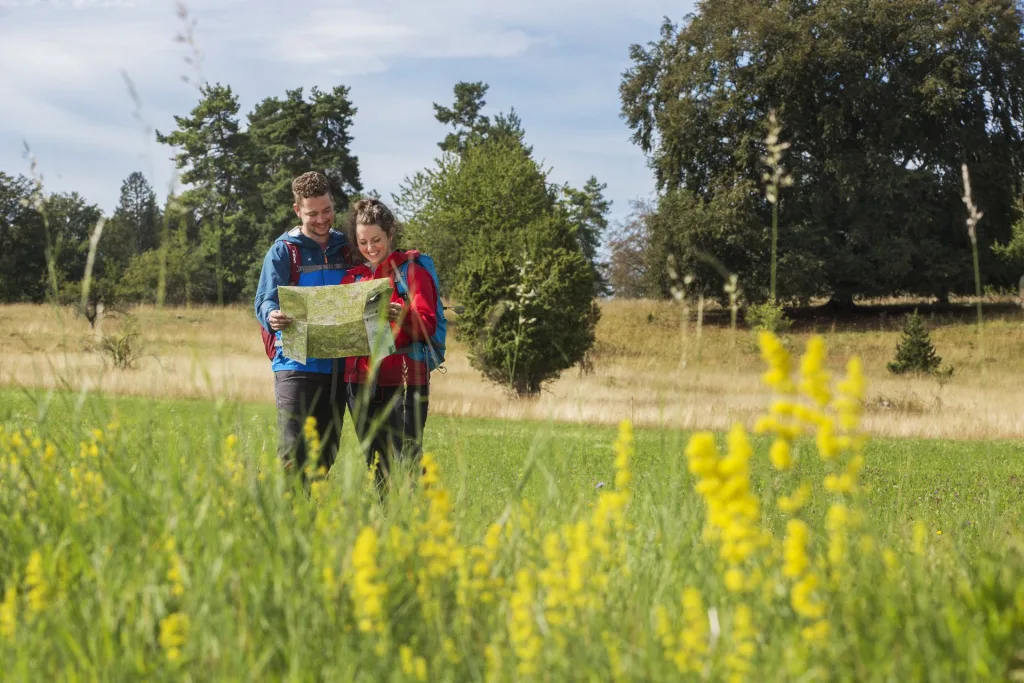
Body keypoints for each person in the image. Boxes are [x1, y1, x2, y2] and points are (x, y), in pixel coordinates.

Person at [254, 171, 351, 476]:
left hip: (337, 366)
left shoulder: (346, 247)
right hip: (295, 365)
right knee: (293, 451)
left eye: (327, 211)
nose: (322, 220)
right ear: (297, 211)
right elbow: (264, 301)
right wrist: (272, 316)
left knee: (326, 454)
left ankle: (309, 518)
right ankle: (286, 517)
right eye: (313, 214)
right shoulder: (284, 251)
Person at [341, 198, 437, 485]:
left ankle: (426, 518)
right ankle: (386, 525)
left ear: (390, 235)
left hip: (405, 380)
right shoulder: (352, 279)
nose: (370, 248)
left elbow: (428, 325)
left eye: (376, 240)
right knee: (375, 465)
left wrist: (403, 315)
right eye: (363, 242)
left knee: (408, 460)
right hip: (359, 384)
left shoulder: (412, 272)